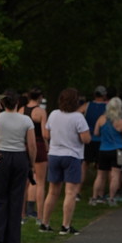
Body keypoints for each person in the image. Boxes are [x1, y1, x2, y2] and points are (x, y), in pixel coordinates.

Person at [0, 91, 37, 243]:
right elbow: (32, 145)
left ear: (2, 103)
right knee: (16, 197)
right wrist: (32, 163)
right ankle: (13, 238)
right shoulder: (26, 120)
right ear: (17, 103)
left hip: (1, 155)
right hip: (20, 157)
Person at [41, 88, 91, 235]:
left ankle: (44, 223)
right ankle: (65, 226)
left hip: (54, 154)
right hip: (72, 155)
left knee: (52, 191)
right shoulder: (78, 117)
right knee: (70, 192)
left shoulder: (54, 114)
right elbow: (86, 139)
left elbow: (47, 133)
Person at [90, 97, 122, 206]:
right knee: (115, 175)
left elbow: (96, 133)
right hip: (119, 150)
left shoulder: (101, 119)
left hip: (103, 149)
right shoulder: (120, 121)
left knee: (100, 175)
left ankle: (94, 198)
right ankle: (112, 198)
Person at [24, 87, 49, 224]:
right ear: (40, 97)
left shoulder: (21, 110)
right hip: (38, 145)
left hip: (25, 145)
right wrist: (47, 146)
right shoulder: (41, 111)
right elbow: (45, 134)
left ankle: (24, 214)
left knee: (26, 181)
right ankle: (40, 216)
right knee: (40, 182)